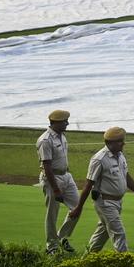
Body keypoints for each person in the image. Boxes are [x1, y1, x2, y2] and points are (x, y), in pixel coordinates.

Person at [69, 127, 134, 253]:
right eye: (119, 141)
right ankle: (124, 261)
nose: (123, 143)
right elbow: (88, 185)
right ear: (109, 143)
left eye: (122, 140)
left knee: (103, 232)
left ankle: (88, 258)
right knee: (119, 233)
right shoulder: (99, 159)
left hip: (117, 202)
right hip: (105, 203)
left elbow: (126, 176)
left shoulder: (120, 155)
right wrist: (79, 207)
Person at [37, 109, 79, 254]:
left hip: (66, 176)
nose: (67, 123)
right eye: (64, 121)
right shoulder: (45, 140)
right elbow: (47, 166)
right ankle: (52, 246)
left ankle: (61, 237)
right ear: (55, 122)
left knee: (77, 207)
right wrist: (56, 189)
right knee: (52, 214)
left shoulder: (62, 136)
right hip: (52, 179)